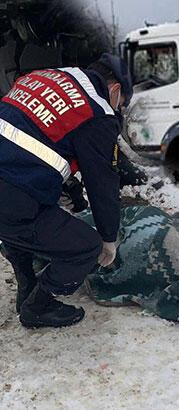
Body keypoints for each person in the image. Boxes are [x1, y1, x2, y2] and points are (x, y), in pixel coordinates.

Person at [0, 53, 133, 328]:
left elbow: (38, 139)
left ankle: (27, 285)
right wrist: (108, 238)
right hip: (10, 197)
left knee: (24, 221)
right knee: (85, 247)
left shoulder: (46, 77)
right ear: (115, 90)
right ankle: (39, 307)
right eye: (121, 104)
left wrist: (70, 192)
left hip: (10, 189)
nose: (117, 110)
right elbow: (103, 181)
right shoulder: (97, 110)